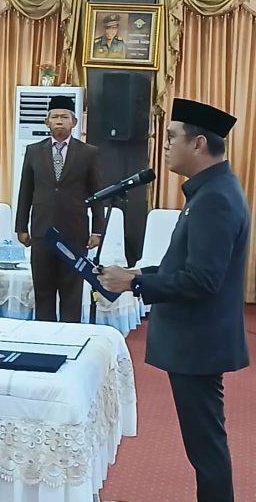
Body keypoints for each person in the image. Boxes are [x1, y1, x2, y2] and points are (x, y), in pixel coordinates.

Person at [98, 98, 249, 502]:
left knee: (207, 450)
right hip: (198, 340)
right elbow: (182, 266)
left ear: (198, 143)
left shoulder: (215, 198)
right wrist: (136, 275)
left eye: (171, 138)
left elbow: (202, 280)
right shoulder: (210, 190)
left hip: (199, 343)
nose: (164, 146)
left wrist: (136, 286)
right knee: (205, 447)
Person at [15, 95, 103, 322]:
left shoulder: (88, 153)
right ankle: (45, 335)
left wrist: (97, 230)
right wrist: (21, 227)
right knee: (43, 290)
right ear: (47, 122)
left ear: (74, 122)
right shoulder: (34, 151)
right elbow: (25, 191)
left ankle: (69, 336)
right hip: (42, 231)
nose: (59, 121)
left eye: (64, 117)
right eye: (54, 117)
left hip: (74, 232)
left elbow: (97, 195)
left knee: (71, 293)